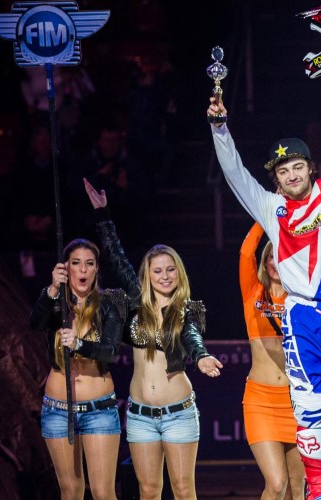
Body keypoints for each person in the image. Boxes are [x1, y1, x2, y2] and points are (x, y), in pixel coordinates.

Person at [208, 67, 321, 500]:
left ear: (311, 167)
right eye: (283, 170)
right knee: (309, 409)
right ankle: (319, 489)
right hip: (301, 314)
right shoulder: (271, 209)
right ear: (276, 178)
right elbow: (235, 175)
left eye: (297, 166)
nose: (291, 175)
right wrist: (219, 128)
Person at [86, 179, 223, 500]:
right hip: (139, 417)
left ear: (179, 273)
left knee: (183, 490)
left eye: (170, 270)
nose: (164, 276)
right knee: (148, 491)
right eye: (157, 271)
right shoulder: (136, 302)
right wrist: (103, 216)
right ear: (147, 274)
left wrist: (201, 356)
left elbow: (191, 336)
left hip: (179, 414)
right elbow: (116, 258)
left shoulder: (188, 309)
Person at [29, 239, 126, 500]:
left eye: (89, 263)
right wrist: (52, 289)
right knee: (71, 491)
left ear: (96, 269)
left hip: (99, 410)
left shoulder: (110, 302)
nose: (83, 269)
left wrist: (80, 344)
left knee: (103, 492)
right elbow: (35, 323)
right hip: (58, 410)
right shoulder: (55, 303)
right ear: (65, 268)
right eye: (76, 263)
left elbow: (110, 351)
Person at [239, 222, 306, 499]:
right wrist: (266, 217)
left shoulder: (301, 299)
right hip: (261, 400)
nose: (276, 262)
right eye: (271, 256)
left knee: (298, 488)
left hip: (297, 401)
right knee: (277, 484)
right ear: (265, 262)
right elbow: (246, 252)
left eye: (282, 257)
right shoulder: (253, 293)